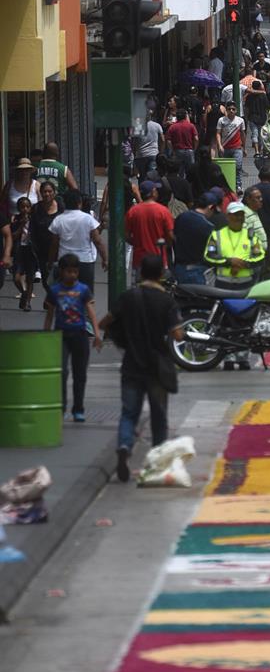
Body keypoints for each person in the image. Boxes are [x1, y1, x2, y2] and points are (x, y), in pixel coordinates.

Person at [99, 254, 183, 483]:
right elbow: (177, 333)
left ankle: (124, 446)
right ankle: (157, 461)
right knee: (158, 416)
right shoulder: (166, 301)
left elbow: (105, 322)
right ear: (161, 275)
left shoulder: (128, 297)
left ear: (141, 273)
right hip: (157, 366)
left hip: (132, 364)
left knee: (129, 413)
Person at [44, 252, 101, 422]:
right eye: (68, 271)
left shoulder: (83, 290)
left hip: (80, 335)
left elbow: (90, 313)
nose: (72, 275)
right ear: (61, 271)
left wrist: (97, 334)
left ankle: (78, 408)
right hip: (60, 335)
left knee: (80, 374)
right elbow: (50, 315)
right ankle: (61, 407)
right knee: (62, 371)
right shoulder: (54, 291)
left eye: (75, 272)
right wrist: (46, 335)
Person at [49, 188, 107, 292]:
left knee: (61, 293)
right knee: (86, 296)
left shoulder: (58, 220)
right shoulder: (88, 219)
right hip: (85, 262)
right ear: (79, 203)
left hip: (64, 261)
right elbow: (98, 241)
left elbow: (54, 243)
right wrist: (105, 259)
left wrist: (51, 260)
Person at [205, 200, 264, 298]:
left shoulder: (251, 236)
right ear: (227, 216)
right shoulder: (217, 235)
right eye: (235, 215)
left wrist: (243, 264)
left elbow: (260, 256)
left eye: (241, 215)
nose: (239, 218)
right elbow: (209, 256)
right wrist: (229, 262)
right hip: (223, 285)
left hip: (245, 285)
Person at [124, 180, 174, 274]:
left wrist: (137, 242)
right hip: (158, 259)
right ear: (152, 193)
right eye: (155, 190)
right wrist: (166, 244)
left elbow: (126, 235)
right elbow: (170, 236)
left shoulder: (133, 211)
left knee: (140, 286)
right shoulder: (163, 211)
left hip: (139, 259)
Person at [172, 193, 216, 285]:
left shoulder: (182, 217)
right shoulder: (208, 226)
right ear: (211, 207)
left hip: (179, 268)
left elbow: (174, 236)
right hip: (199, 271)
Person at [30, 181, 64, 290]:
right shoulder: (36, 208)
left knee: (60, 277)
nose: (47, 194)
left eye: (50, 191)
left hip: (60, 249)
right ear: (41, 193)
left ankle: (56, 301)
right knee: (46, 279)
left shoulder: (61, 207)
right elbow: (32, 228)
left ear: (54, 193)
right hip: (42, 250)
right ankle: (52, 299)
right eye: (44, 192)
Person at [10, 197, 37, 310]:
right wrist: (22, 225)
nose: (25, 209)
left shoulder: (34, 219)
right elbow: (13, 236)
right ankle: (24, 292)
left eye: (27, 206)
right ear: (19, 208)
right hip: (19, 250)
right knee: (16, 277)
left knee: (30, 278)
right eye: (22, 207)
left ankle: (27, 303)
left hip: (31, 251)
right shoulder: (15, 219)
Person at [216, 101, 246, 195]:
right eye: (229, 109)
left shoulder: (240, 120)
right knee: (224, 168)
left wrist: (243, 148)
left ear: (236, 110)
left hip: (237, 148)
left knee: (238, 167)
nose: (231, 111)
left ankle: (238, 186)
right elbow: (218, 133)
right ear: (226, 110)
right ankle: (226, 186)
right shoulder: (221, 120)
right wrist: (220, 145)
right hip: (225, 147)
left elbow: (243, 134)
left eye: (233, 109)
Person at [165, 108, 198, 175]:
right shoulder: (191, 126)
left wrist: (172, 150)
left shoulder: (172, 127)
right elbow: (196, 139)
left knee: (179, 172)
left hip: (177, 151)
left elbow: (168, 141)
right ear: (185, 116)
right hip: (189, 151)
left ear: (177, 117)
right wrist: (194, 149)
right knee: (191, 172)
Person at [132, 111, 164, 179]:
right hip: (153, 154)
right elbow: (162, 140)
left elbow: (134, 142)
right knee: (151, 177)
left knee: (141, 177)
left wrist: (134, 154)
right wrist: (161, 152)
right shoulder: (157, 125)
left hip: (141, 155)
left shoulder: (138, 126)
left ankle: (142, 189)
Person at [243, 79, 269, 158]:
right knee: (261, 135)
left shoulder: (249, 97)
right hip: (262, 118)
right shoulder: (263, 96)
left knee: (254, 134)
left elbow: (246, 108)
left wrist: (246, 117)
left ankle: (257, 151)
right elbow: (267, 107)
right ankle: (260, 151)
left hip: (252, 117)